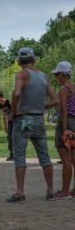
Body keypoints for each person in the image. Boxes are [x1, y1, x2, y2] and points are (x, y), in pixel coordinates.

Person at [5, 47, 58, 202]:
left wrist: (14, 112)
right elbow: (54, 100)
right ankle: (50, 191)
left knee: (20, 156)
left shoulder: (22, 74)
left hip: (24, 120)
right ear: (33, 60)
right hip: (38, 119)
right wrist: (42, 106)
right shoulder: (43, 77)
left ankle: (20, 192)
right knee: (44, 156)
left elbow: (16, 93)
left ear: (19, 61)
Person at [51, 61, 75, 199]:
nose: (56, 78)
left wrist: (65, 129)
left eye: (56, 75)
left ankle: (65, 190)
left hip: (65, 123)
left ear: (61, 74)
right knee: (74, 158)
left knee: (65, 158)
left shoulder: (63, 89)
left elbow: (64, 111)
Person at [0, 91, 14, 161]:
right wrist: (5, 126)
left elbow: (17, 109)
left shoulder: (9, 101)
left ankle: (16, 155)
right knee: (9, 138)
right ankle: (11, 155)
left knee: (14, 138)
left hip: (15, 122)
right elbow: (3, 116)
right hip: (9, 123)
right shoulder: (0, 106)